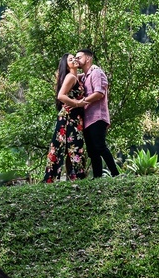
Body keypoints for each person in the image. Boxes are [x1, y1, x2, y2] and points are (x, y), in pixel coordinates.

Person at [42, 54, 88, 182]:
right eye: (70, 59)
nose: (74, 60)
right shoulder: (70, 77)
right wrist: (77, 103)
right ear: (67, 66)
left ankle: (74, 176)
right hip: (69, 117)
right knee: (72, 146)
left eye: (75, 58)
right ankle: (77, 176)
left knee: (71, 146)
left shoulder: (75, 77)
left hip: (74, 117)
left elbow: (81, 76)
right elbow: (61, 96)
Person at [75, 48, 119, 177]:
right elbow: (73, 76)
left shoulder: (96, 73)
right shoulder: (85, 76)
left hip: (97, 116)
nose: (77, 60)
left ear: (88, 58)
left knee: (100, 146)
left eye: (79, 57)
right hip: (88, 118)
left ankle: (116, 174)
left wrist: (81, 102)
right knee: (92, 151)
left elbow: (99, 93)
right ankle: (97, 177)